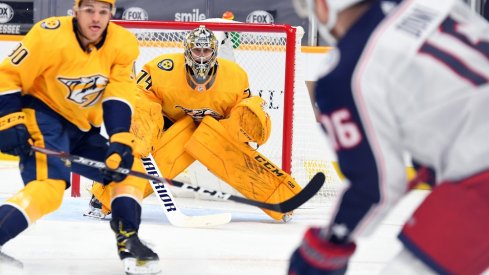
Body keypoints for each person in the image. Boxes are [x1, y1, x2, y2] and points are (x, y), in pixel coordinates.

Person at [289, 0, 489, 274]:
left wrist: (328, 245)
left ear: (323, 7)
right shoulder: (431, 4)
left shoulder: (346, 71)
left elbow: (374, 187)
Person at [0, 0, 160, 274]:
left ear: (111, 14)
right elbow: (8, 76)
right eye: (89, 10)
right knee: (49, 188)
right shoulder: (48, 34)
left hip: (83, 128)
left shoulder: (123, 44)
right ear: (75, 11)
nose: (96, 18)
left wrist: (121, 138)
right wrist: (8, 121)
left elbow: (119, 93)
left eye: (103, 12)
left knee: (129, 170)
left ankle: (128, 240)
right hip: (43, 116)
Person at [86, 25, 302, 222]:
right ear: (187, 51)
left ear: (214, 53)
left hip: (212, 127)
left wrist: (247, 121)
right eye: (197, 51)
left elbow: (240, 113)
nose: (201, 57)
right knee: (154, 156)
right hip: (172, 123)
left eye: (206, 51)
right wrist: (144, 125)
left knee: (234, 156)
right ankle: (105, 199)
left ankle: (283, 200)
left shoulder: (234, 77)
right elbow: (141, 94)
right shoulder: (163, 68)